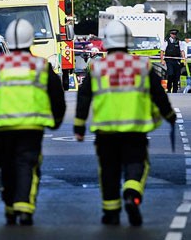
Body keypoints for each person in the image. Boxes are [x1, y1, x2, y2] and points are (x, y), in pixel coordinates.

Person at [73, 20, 176, 227]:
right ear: (128, 41)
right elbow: (158, 94)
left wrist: (79, 126)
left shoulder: (97, 67)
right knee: (136, 165)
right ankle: (132, 194)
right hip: (134, 131)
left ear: (107, 43)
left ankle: (111, 213)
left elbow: (84, 98)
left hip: (105, 132)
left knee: (108, 171)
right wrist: (169, 115)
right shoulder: (142, 66)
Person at [0, 19, 66, 226]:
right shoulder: (41, 65)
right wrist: (57, 119)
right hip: (31, 126)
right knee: (27, 164)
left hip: (2, 127)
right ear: (30, 39)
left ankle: (10, 206)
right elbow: (56, 96)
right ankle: (24, 206)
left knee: (7, 165)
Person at [160, 29, 186, 93]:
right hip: (169, 60)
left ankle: (175, 90)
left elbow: (182, 51)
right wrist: (162, 60)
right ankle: (169, 89)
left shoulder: (179, 42)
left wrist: (184, 59)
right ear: (170, 34)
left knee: (176, 76)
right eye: (173, 34)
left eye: (175, 34)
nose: (174, 35)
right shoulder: (166, 41)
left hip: (176, 60)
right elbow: (162, 51)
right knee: (170, 74)